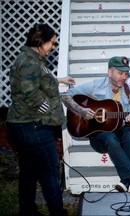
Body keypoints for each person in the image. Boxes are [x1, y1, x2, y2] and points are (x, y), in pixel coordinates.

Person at [6, 23, 75, 216]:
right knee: (49, 173)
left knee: (29, 172)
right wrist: (45, 108)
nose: (52, 47)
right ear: (40, 41)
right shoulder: (30, 61)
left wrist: (59, 80)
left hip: (22, 125)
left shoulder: (31, 58)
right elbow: (30, 92)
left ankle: (28, 211)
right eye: (51, 43)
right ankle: (57, 213)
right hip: (34, 126)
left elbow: (37, 79)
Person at [61, 56, 130, 193]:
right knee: (110, 138)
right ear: (110, 72)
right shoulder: (96, 86)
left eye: (126, 73)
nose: (124, 77)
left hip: (119, 129)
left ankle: (125, 180)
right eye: (120, 73)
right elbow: (65, 96)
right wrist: (82, 110)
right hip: (99, 136)